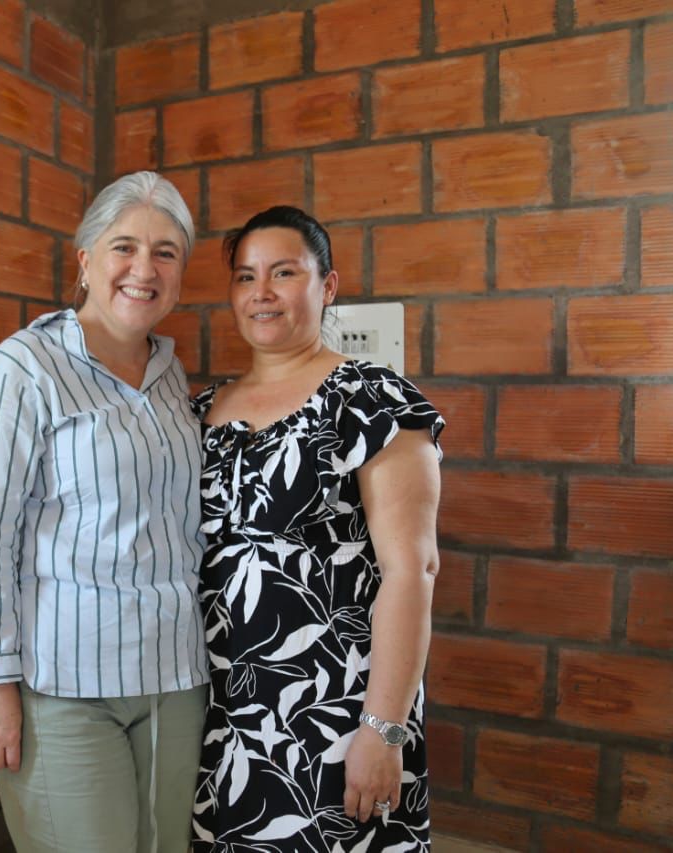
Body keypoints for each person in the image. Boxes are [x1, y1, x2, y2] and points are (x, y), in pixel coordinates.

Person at [0, 171, 209, 853]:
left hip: (173, 681)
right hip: (63, 686)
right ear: (86, 260)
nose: (143, 269)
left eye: (165, 252)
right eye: (124, 246)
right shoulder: (20, 372)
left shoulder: (171, 376)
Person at [190, 206, 443, 851]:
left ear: (327, 286)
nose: (262, 293)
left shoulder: (371, 400)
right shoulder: (194, 412)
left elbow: (411, 573)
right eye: (245, 278)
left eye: (283, 273)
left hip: (336, 714)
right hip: (222, 719)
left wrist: (383, 730)